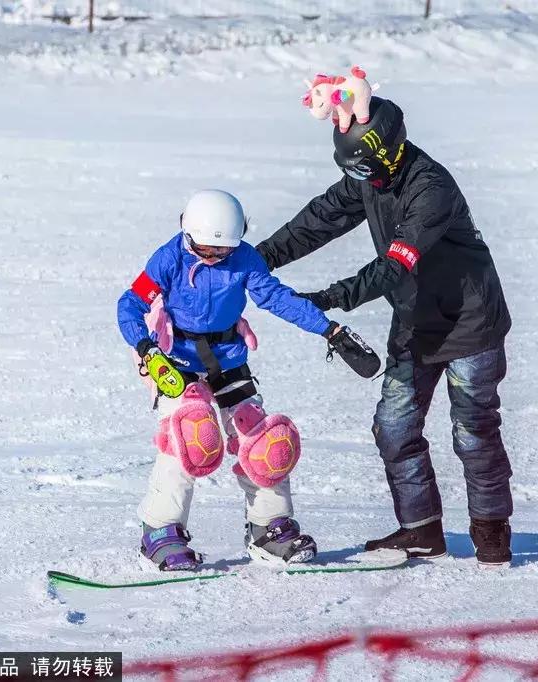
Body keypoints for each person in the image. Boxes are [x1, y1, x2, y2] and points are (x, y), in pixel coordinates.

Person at [256, 97, 516, 567]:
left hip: (470, 326)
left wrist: (329, 298)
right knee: (394, 429)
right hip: (416, 323)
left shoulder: (430, 189)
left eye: (364, 171)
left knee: (473, 432)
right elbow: (320, 220)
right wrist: (256, 260)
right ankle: (421, 532)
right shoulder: (369, 175)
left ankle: (491, 530)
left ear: (391, 151)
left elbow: (394, 267)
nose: (360, 182)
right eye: (352, 172)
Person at [117, 189, 377, 571]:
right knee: (188, 437)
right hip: (175, 363)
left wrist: (330, 330)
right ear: (186, 232)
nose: (211, 257)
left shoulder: (245, 259)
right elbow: (130, 303)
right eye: (202, 249)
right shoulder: (168, 258)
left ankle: (268, 528)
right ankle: (160, 531)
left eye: (220, 252)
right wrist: (145, 348)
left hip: (229, 361)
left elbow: (277, 298)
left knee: (264, 442)